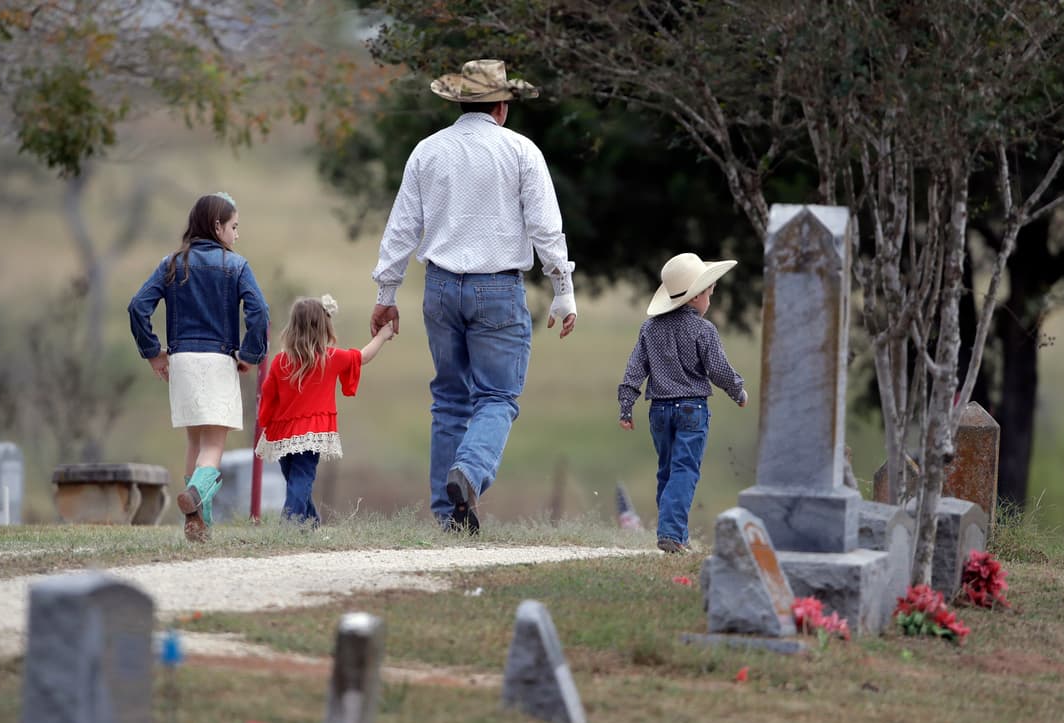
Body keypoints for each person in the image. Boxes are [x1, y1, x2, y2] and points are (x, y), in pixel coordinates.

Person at [369, 58, 579, 534]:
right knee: (498, 396)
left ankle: (450, 517)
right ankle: (469, 471)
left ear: (460, 102)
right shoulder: (522, 151)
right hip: (498, 288)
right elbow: (546, 229)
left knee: (449, 399)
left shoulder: (427, 151)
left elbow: (402, 228)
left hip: (440, 287)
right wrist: (563, 290)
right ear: (502, 106)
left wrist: (387, 292)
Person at [128, 191, 269, 542]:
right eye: (234, 227)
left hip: (182, 362)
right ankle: (194, 496)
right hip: (218, 361)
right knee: (213, 447)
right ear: (217, 226)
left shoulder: (171, 264)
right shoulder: (237, 266)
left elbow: (137, 307)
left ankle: (198, 524)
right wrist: (250, 354)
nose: (237, 235)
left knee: (194, 442)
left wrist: (153, 352)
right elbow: (260, 312)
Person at [617, 253, 748, 553]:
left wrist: (626, 406)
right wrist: (738, 391)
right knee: (685, 470)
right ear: (695, 297)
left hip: (659, 412)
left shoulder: (649, 329)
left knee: (667, 470)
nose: (710, 300)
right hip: (692, 409)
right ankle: (672, 534)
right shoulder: (704, 330)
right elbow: (718, 370)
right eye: (709, 294)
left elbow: (635, 369)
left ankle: (676, 534)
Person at [254, 295, 395, 526]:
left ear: (293, 327)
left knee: (297, 479)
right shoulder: (325, 358)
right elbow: (362, 357)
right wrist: (382, 336)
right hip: (303, 432)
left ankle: (290, 524)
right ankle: (309, 521)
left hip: (289, 433)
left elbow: (268, 396)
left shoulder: (285, 361)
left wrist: (265, 422)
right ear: (324, 327)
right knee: (297, 480)